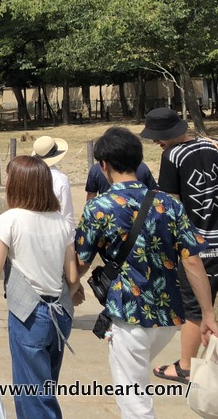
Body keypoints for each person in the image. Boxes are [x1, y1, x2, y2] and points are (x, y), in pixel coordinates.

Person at [76, 125, 218, 417]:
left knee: (133, 399)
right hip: (169, 318)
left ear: (103, 164)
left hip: (129, 316)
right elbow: (192, 261)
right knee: (135, 381)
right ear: (138, 161)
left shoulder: (99, 208)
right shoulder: (169, 203)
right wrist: (208, 314)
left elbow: (81, 261)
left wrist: (70, 286)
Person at [0, 155, 80, 419]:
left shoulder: (10, 220)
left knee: (33, 393)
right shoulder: (61, 222)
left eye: (11, 176)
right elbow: (72, 276)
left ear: (19, 184)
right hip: (61, 313)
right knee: (44, 385)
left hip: (30, 316)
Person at [137, 108, 218, 388]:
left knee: (195, 307)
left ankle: (185, 366)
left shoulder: (172, 156)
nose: (157, 142)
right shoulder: (211, 144)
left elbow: (171, 204)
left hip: (197, 243)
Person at [30, 135, 75, 232]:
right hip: (56, 229)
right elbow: (66, 211)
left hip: (32, 228)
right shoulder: (61, 179)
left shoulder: (29, 176)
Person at [85, 159, 156, 201]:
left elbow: (91, 195)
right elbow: (154, 191)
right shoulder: (142, 166)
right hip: (142, 215)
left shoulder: (96, 169)